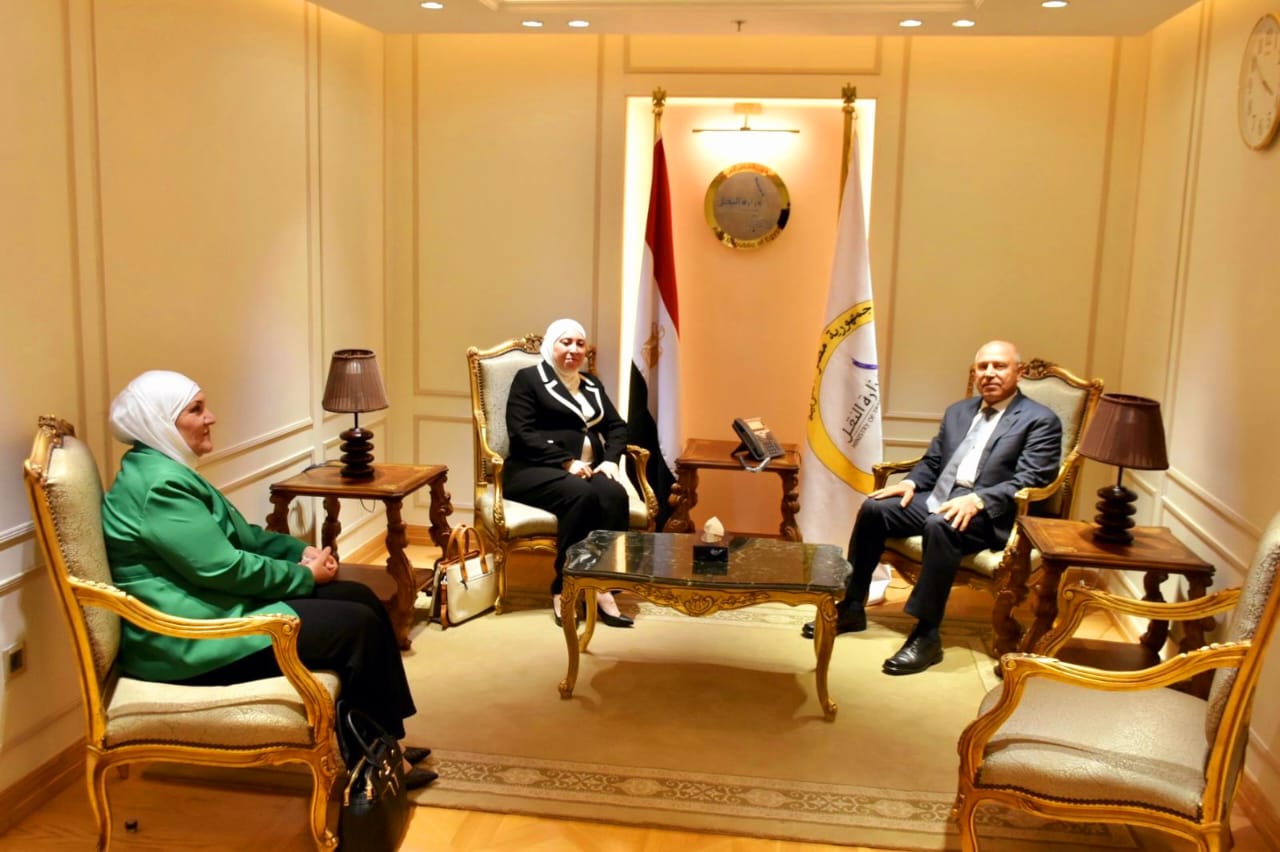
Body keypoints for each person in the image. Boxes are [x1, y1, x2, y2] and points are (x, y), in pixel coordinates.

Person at [100, 370, 435, 787]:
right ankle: (376, 764)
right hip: (191, 643)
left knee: (359, 596)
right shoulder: (159, 486)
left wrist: (299, 553)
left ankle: (385, 742)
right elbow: (223, 568)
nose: (211, 417)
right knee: (356, 627)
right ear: (160, 422)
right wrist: (302, 577)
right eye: (196, 410)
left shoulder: (162, 468)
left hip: (213, 610)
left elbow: (242, 538)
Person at [802, 340, 1062, 675]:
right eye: (982, 367)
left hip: (989, 513)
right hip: (941, 496)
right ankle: (852, 605)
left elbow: (1032, 478)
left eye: (999, 366)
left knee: (941, 525)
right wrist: (911, 483)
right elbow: (934, 461)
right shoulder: (958, 412)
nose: (989, 373)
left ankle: (926, 634)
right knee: (874, 509)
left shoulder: (1040, 420)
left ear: (1019, 372)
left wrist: (979, 499)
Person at [504, 318, 635, 628]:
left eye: (580, 344)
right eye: (566, 342)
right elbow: (521, 433)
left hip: (587, 469)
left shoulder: (591, 384)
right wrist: (565, 461)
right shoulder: (529, 379)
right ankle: (564, 586)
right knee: (581, 495)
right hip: (533, 469)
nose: (574, 350)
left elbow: (617, 426)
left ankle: (602, 585)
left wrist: (611, 460)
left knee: (614, 494)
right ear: (552, 345)